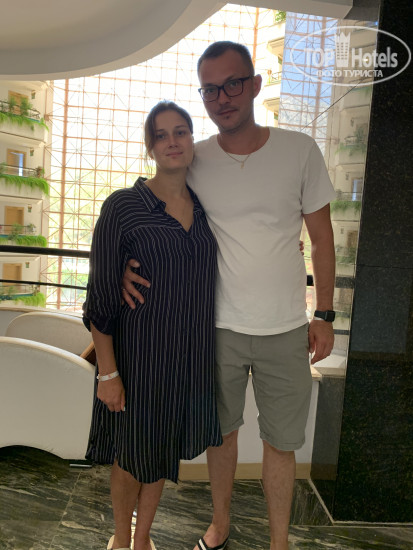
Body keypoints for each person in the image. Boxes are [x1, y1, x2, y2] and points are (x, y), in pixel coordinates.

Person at [121, 41, 336, 550]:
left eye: (233, 84)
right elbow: (152, 201)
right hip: (215, 328)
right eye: (211, 89)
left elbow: (322, 239)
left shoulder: (299, 150)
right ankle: (220, 526)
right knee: (221, 435)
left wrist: (324, 314)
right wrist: (125, 263)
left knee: (281, 442)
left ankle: (279, 542)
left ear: (255, 85)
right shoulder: (197, 158)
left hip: (287, 328)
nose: (223, 97)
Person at [83, 101, 222, 550]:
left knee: (160, 454)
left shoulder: (206, 209)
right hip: (138, 358)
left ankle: (143, 538)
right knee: (130, 456)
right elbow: (100, 298)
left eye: (181, 132)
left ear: (192, 141)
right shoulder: (124, 206)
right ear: (150, 147)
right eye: (161, 135)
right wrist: (108, 374)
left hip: (187, 358)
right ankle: (122, 540)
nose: (172, 141)